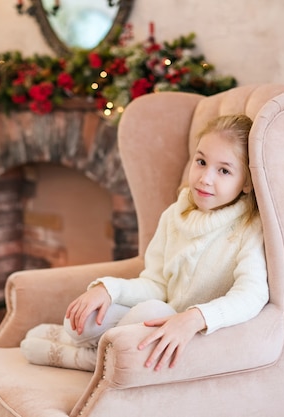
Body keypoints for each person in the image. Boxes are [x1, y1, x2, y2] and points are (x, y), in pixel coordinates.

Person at [21, 114, 269, 372]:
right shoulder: (175, 216)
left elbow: (252, 295)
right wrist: (109, 289)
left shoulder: (250, 229)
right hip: (157, 322)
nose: (206, 178)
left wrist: (195, 318)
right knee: (84, 319)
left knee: (150, 311)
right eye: (201, 161)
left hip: (195, 335)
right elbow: (156, 283)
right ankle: (83, 344)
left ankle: (84, 359)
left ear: (247, 183)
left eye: (224, 170)